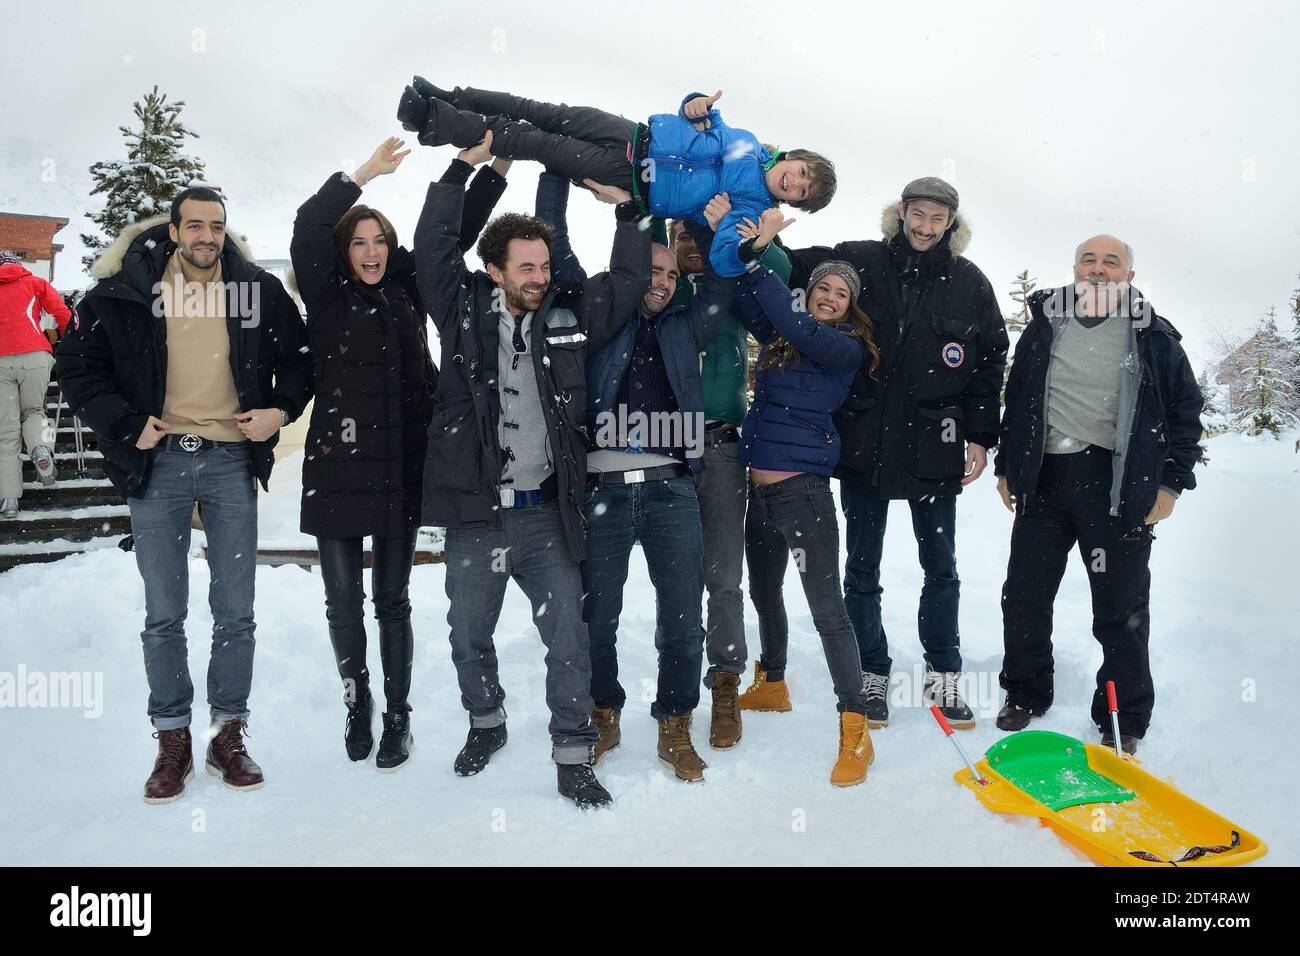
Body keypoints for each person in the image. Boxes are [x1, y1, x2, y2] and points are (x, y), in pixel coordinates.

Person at [412, 133, 649, 809]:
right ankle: (485, 722)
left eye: (544, 265)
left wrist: (628, 215)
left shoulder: (569, 314)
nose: (539, 276)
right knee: (468, 635)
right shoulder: (458, 313)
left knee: (568, 638)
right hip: (479, 515)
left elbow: (629, 284)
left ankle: (572, 755)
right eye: (526, 267)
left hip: (547, 513)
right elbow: (432, 247)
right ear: (495, 269)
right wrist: (461, 169)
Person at [56, 186, 312, 803]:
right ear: (173, 231)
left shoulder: (257, 291)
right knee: (163, 613)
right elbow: (76, 365)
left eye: (216, 226)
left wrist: (279, 409)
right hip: (159, 462)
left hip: (229, 460)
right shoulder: (123, 294)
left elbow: (303, 360)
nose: (206, 236)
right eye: (194, 225)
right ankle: (172, 740)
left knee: (236, 612)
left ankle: (227, 736)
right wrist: (125, 422)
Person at [291, 137, 513, 771]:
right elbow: (309, 224)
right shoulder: (326, 294)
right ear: (344, 252)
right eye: (359, 243)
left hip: (397, 468)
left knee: (391, 601)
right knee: (342, 602)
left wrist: (482, 168)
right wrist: (363, 175)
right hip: (337, 468)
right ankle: (355, 703)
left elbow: (453, 233)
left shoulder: (410, 290)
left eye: (380, 242)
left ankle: (397, 716)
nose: (371, 252)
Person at [776, 177, 1009, 729]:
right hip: (864, 443)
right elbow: (794, 269)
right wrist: (764, 231)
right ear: (902, 212)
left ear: (951, 222)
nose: (927, 227)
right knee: (861, 566)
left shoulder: (969, 283)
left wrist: (980, 435)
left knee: (941, 567)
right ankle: (871, 669)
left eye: (938, 218)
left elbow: (989, 362)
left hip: (936, 447)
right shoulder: (861, 260)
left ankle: (943, 671)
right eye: (919, 214)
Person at [535, 174, 739, 782]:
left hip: (674, 489)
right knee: (597, 615)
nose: (661, 282)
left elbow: (724, 277)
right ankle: (604, 713)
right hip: (604, 493)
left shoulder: (686, 326)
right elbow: (556, 239)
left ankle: (675, 723)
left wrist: (716, 213)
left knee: (682, 614)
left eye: (671, 275)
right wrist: (555, 170)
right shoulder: (596, 315)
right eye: (652, 271)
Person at [995, 236, 1204, 755]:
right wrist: (1007, 466)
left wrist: (1170, 482)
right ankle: (1024, 691)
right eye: (1089, 259)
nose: (1099, 269)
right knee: (1025, 595)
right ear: (1074, 268)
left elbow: (1184, 413)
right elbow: (1019, 396)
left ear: (1129, 277)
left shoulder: (1153, 336)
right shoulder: (1047, 324)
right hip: (1045, 479)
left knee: (1120, 608)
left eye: (1112, 262)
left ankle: (1122, 713)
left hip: (1117, 486)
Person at [724, 206, 881, 786]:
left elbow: (792, 323)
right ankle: (773, 682)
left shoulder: (844, 348)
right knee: (765, 593)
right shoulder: (785, 336)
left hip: (804, 496)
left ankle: (855, 729)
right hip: (757, 494)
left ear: (850, 305)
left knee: (827, 611)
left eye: (842, 292)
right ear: (810, 291)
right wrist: (732, 248)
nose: (831, 296)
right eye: (824, 287)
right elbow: (746, 303)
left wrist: (764, 256)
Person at [396, 80, 835, 276]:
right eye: (799, 174)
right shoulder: (747, 141)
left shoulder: (755, 212)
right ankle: (447, 96)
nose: (794, 185)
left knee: (534, 143)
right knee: (543, 111)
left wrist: (754, 243)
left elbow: (723, 260)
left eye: (801, 193)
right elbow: (703, 121)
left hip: (632, 176)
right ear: (791, 157)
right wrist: (695, 103)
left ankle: (435, 122)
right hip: (636, 134)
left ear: (794, 203)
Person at [663, 219, 792, 749]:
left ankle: (724, 682)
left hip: (721, 447)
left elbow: (780, 269)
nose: (690, 245)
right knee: (676, 580)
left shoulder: (732, 283)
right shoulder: (661, 289)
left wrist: (732, 230)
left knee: (723, 575)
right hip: (664, 449)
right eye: (682, 236)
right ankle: (676, 689)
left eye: (699, 236)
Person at [0, 249, 71, 516]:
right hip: (36, 357)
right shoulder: (35, 282)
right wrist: (69, 345)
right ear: (16, 265)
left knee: (4, 432)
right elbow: (63, 314)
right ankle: (41, 447)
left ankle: (8, 501)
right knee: (34, 411)